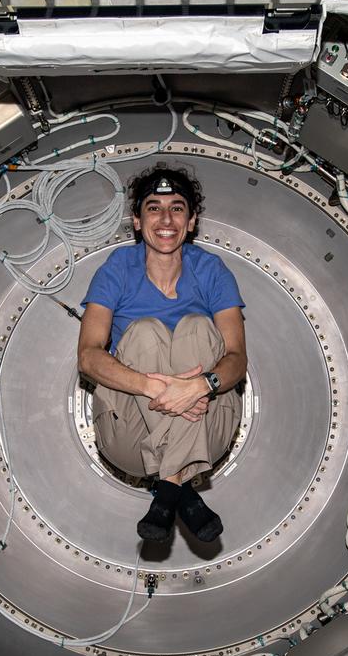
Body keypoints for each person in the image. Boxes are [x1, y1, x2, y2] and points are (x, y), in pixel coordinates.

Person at [77, 166, 247, 543]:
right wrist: (159, 389)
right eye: (153, 208)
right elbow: (88, 356)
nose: (166, 219)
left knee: (196, 328)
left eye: (177, 208)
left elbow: (236, 359)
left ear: (191, 221)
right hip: (130, 436)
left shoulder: (211, 271)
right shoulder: (117, 269)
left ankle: (168, 489)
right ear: (137, 221)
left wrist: (201, 385)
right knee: (144, 332)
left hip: (208, 426)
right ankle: (181, 490)